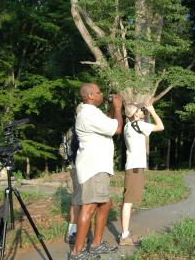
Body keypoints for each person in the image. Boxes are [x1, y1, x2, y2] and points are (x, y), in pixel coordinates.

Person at [69, 83, 123, 260]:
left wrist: (110, 109)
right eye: (99, 92)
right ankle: (77, 252)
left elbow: (107, 123)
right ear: (90, 96)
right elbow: (116, 128)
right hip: (94, 167)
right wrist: (118, 108)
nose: (102, 95)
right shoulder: (89, 113)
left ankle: (96, 244)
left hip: (98, 166)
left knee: (105, 203)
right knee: (90, 206)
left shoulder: (92, 112)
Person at [119, 103, 164, 246]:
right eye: (140, 110)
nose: (143, 111)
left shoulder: (129, 125)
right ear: (135, 114)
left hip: (132, 167)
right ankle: (124, 236)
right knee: (128, 201)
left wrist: (146, 113)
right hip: (135, 168)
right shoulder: (138, 124)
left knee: (128, 200)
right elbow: (161, 126)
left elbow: (146, 125)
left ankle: (125, 233)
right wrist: (153, 111)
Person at [61, 104, 83, 244]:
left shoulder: (71, 129)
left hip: (73, 166)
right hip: (79, 167)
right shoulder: (78, 129)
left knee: (79, 197)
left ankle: (76, 229)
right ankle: (72, 232)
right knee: (78, 198)